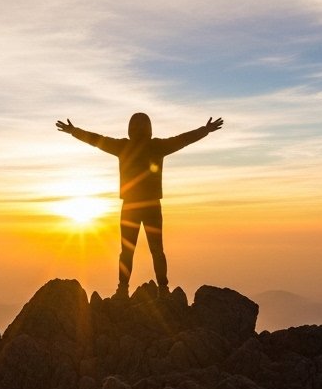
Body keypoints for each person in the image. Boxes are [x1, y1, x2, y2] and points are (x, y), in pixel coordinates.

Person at [55, 112, 223, 297]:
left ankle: (123, 289)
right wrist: (205, 130)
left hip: (130, 206)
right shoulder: (157, 146)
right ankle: (162, 289)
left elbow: (96, 140)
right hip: (151, 205)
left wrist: (74, 131)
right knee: (156, 250)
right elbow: (183, 139)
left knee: (128, 251)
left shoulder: (122, 146)